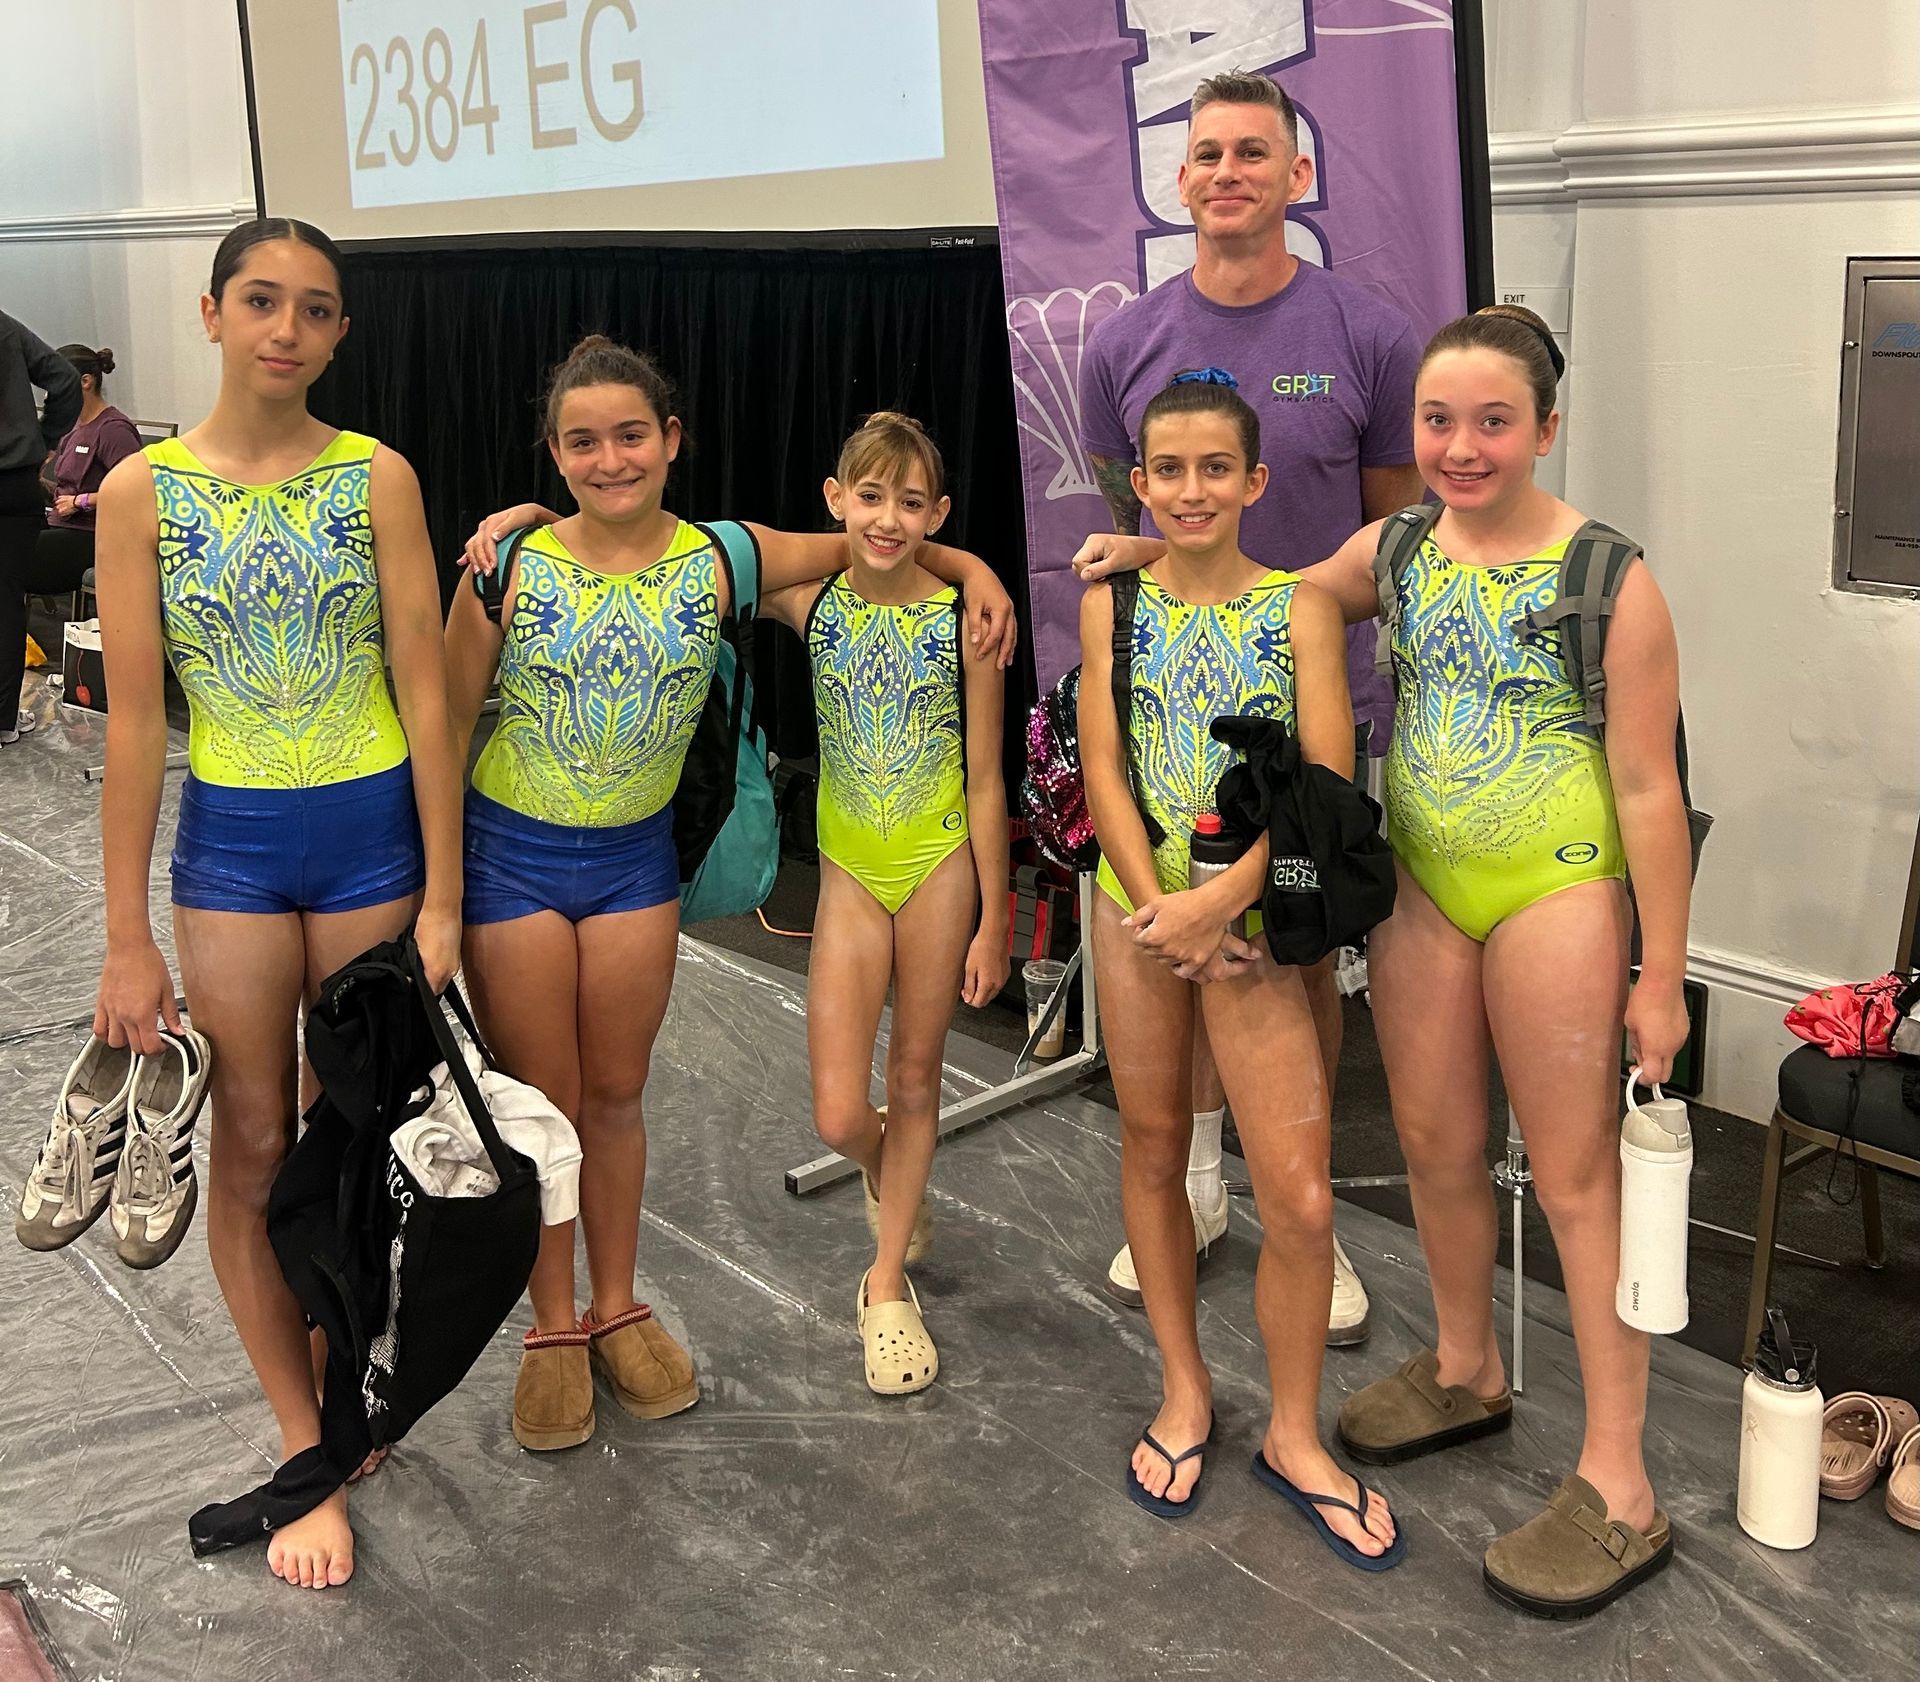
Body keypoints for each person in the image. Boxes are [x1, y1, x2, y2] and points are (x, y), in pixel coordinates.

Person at [448, 341, 1017, 1450]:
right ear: (554, 453)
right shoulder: (519, 565)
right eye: (579, 441)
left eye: (630, 434)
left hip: (662, 867)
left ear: (672, 440)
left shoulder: (729, 560)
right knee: (550, 1106)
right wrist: (510, 520)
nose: (609, 457)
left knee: (618, 1094)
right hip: (519, 857)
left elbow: (881, 545)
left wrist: (975, 569)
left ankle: (641, 1303)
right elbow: (441, 718)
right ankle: (553, 1326)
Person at [88, 218, 464, 1591]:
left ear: (340, 334)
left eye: (314, 309)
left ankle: (344, 1366)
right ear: (211, 312)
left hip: (371, 839)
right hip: (235, 847)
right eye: (261, 300)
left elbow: (426, 688)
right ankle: (306, 1438)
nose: (285, 329)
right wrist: (127, 934)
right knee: (252, 1135)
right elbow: (138, 723)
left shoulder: (378, 480)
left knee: (354, 1133)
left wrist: (444, 890)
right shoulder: (141, 491)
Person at [1076, 69, 1424, 1338]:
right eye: (1206, 152)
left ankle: (1302, 1209)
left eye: (1252, 153)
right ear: (1180, 182)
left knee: (1292, 954)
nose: (1227, 172)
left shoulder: (1371, 336)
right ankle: (1200, 1186)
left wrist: (1295, 623)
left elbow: (1396, 534)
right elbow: (1134, 511)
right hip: (1168, 711)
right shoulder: (1121, 342)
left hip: (1305, 692)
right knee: (1172, 956)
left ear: (1297, 176)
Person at [1081, 369, 1400, 1568]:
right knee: (1156, 1148)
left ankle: (1299, 1434)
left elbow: (1322, 785)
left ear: (1256, 480)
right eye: (1168, 469)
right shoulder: (1118, 598)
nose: (1192, 489)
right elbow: (1105, 763)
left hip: (1258, 923)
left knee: (1300, 1191)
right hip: (1141, 911)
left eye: (1216, 467)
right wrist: (1160, 903)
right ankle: (1183, 1386)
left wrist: (1222, 898)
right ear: (1139, 481)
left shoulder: (1304, 607)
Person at [759, 412, 1009, 1395]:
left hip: (939, 860)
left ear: (936, 511)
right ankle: (882, 1164)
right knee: (836, 1109)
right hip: (853, 869)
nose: (890, 518)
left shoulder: (965, 620)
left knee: (916, 1077)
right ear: (836, 499)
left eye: (913, 503)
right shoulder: (810, 598)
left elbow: (985, 779)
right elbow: (698, 551)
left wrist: (992, 915)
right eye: (871, 496)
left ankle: (885, 1278)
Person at [0, 346, 142, 731]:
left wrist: (82, 500)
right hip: (57, 525)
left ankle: (5, 705)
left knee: (9, 571)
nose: (51, 400)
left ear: (85, 381)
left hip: (89, 537)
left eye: (55, 390)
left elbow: (140, 488)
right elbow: (59, 487)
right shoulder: (72, 430)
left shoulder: (113, 430)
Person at [0, 311, 80, 742]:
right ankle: (3, 721)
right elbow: (66, 379)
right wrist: (45, 439)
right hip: (12, 483)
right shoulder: (4, 326)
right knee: (6, 601)